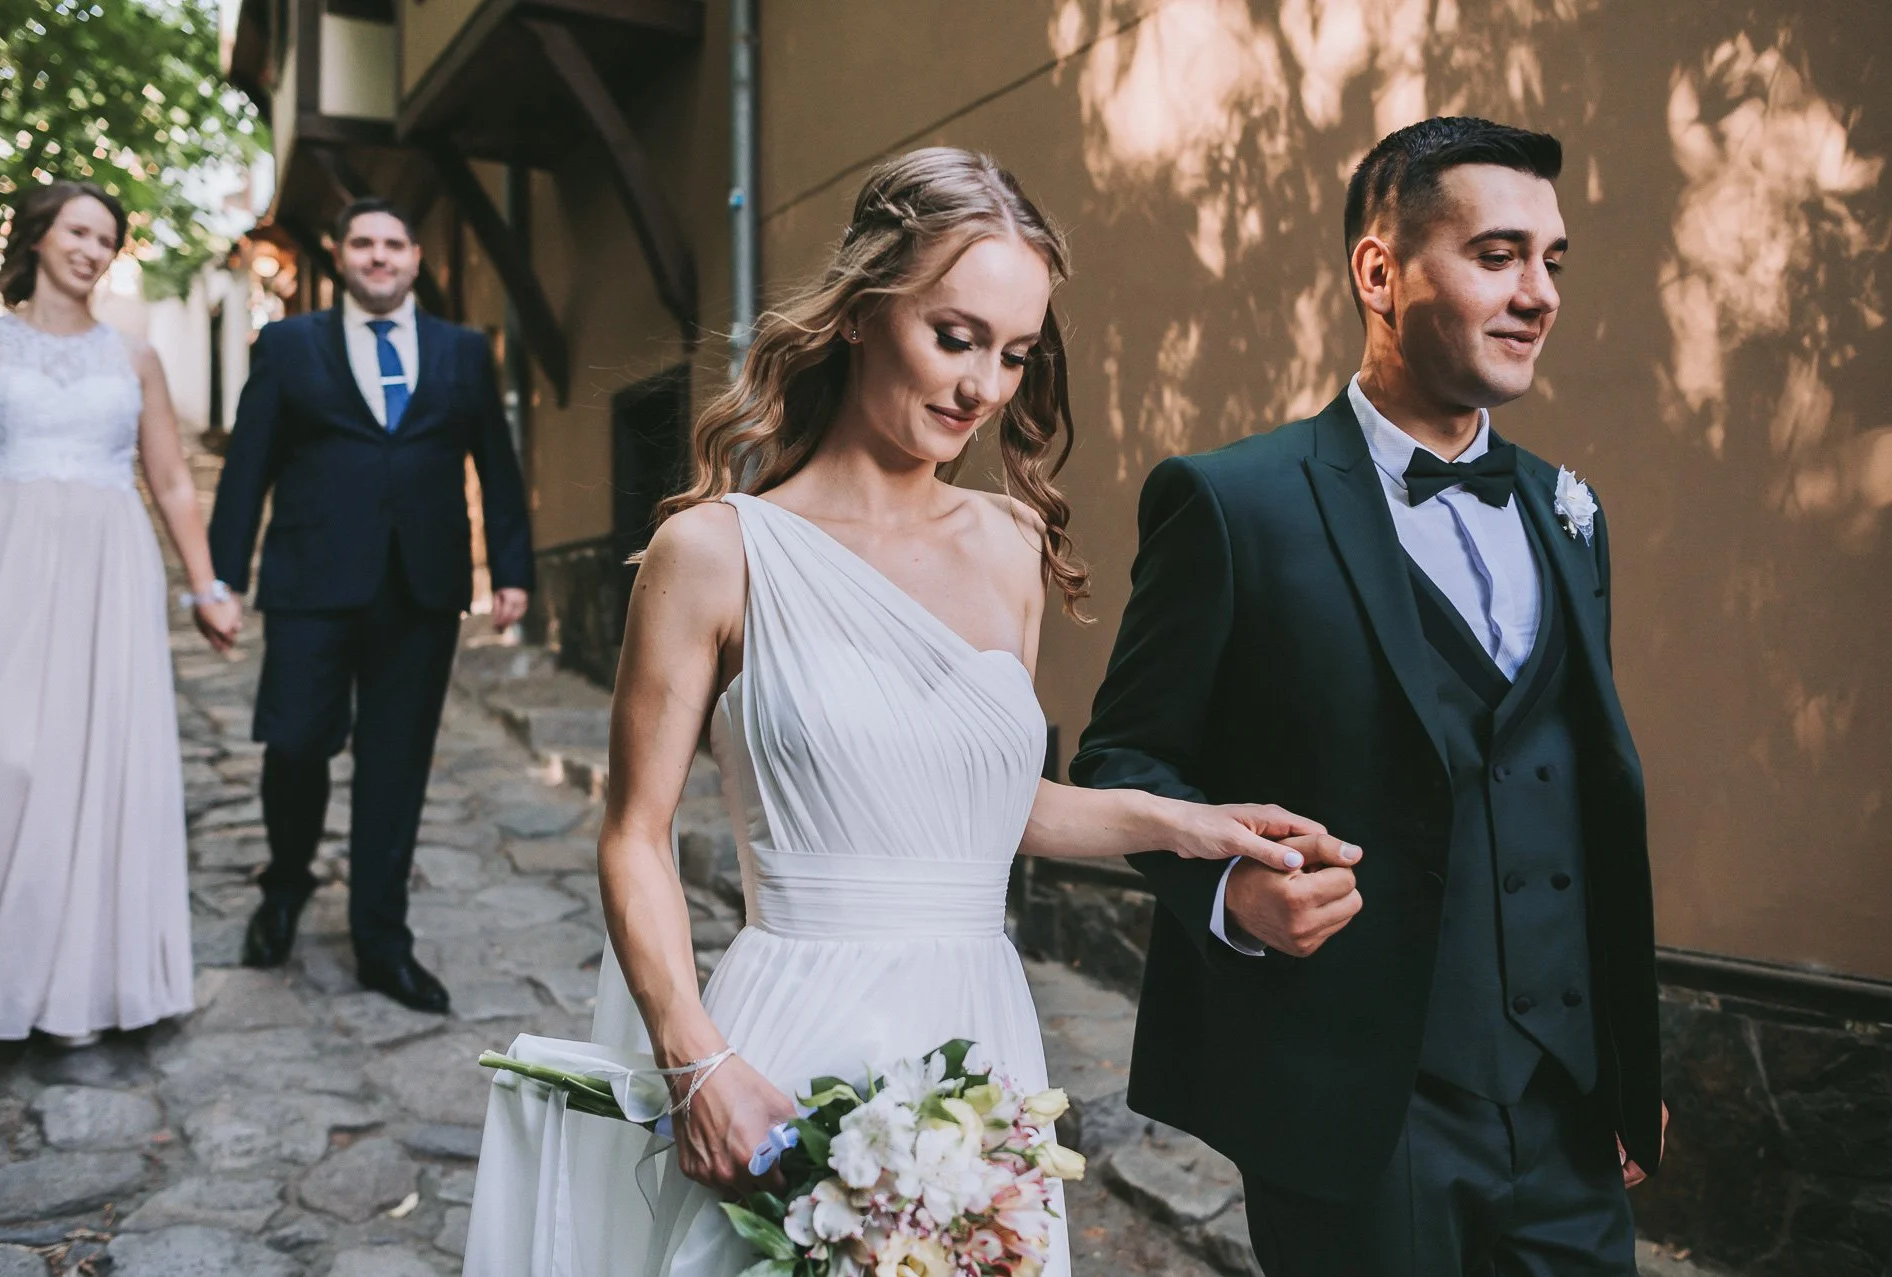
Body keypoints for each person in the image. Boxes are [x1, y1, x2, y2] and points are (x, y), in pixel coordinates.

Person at [463, 146, 1349, 1276]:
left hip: (978, 1030)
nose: (984, 384)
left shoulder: (1011, 544)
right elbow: (634, 832)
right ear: (862, 312)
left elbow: (990, 806)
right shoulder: (714, 553)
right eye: (956, 335)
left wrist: (1192, 825)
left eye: (1016, 354)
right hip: (787, 1033)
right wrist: (697, 1059)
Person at [1073, 116, 1669, 1275]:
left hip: (1566, 1110)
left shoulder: (1569, 511)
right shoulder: (1233, 504)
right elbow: (1124, 762)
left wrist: (1622, 1065)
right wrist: (1230, 888)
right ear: (1380, 271)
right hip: (1358, 1110)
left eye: (1553, 259)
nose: (1538, 292)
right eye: (1497, 254)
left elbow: (1571, 788)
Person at [208, 197, 532, 1013]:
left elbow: (495, 461)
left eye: (393, 244)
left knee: (396, 766)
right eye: (363, 243)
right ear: (341, 254)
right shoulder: (287, 346)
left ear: (416, 258)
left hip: (419, 587)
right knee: (293, 745)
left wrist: (514, 568)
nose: (379, 257)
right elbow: (248, 466)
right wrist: (222, 579)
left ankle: (382, 939)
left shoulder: (461, 351)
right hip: (310, 581)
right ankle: (284, 887)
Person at [0, 181, 241, 1045]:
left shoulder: (135, 357)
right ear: (40, 236)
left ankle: (72, 989)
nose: (92, 248)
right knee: (1, 753)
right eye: (78, 230)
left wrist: (205, 585)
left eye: (107, 237)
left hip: (105, 567)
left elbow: (167, 478)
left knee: (92, 760)